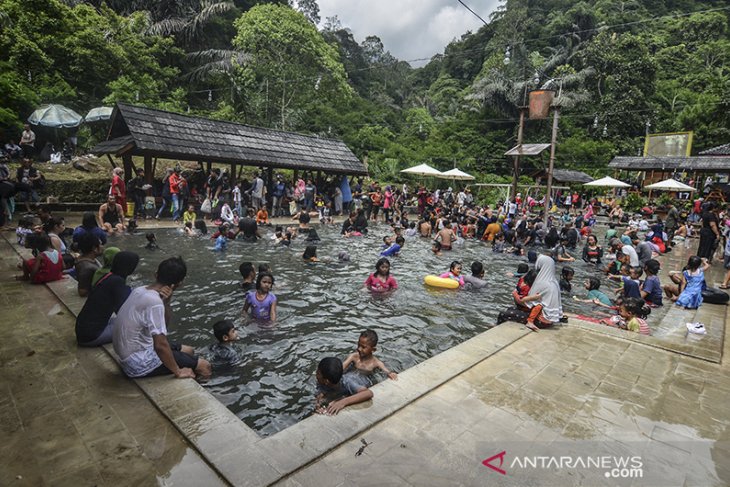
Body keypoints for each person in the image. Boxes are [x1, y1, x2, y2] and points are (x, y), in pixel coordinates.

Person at [112, 256, 211, 379]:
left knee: (189, 350)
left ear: (156, 274)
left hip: (128, 356)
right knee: (204, 366)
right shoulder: (154, 302)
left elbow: (163, 324)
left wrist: (166, 303)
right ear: (180, 283)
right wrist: (178, 371)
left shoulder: (140, 290)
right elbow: (160, 345)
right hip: (137, 363)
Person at [76, 251, 140, 347]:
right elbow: (126, 312)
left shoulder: (107, 276)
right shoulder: (117, 282)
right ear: (130, 268)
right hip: (91, 336)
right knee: (137, 327)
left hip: (83, 330)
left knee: (118, 320)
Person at [525, 255, 563, 331]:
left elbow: (529, 300)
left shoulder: (542, 282)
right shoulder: (554, 282)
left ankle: (530, 321)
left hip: (541, 321)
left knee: (539, 304)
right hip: (552, 321)